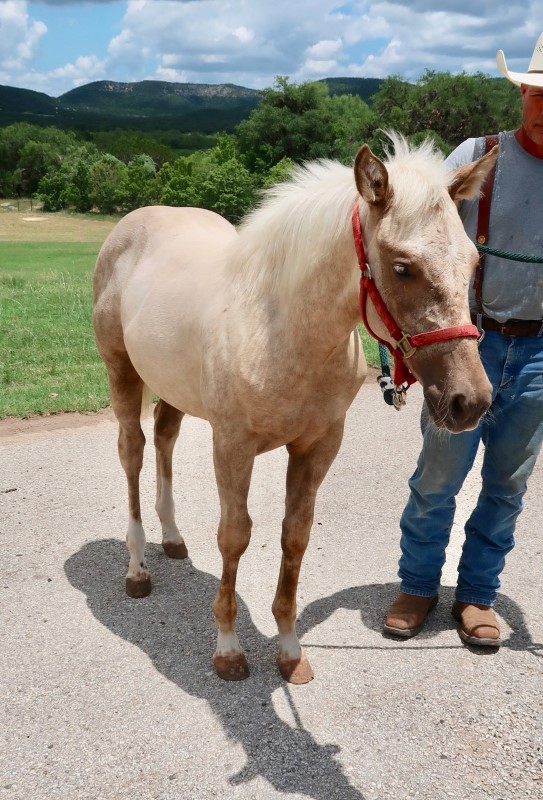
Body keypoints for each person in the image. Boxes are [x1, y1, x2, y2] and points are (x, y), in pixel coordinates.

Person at [383, 33, 543, 647]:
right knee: (439, 477)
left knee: (507, 484)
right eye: (535, 93)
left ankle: (477, 595)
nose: (542, 106)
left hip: (538, 354)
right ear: (522, 94)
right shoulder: (477, 157)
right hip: (468, 347)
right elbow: (416, 239)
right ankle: (418, 585)